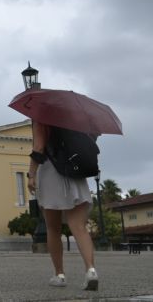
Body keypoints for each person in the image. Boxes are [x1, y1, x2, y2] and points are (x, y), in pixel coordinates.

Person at [27, 121, 98, 291]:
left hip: (52, 171)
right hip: (75, 170)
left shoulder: (41, 117)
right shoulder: (72, 115)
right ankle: (91, 270)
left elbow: (39, 147)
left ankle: (59, 275)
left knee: (53, 228)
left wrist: (31, 174)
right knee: (79, 227)